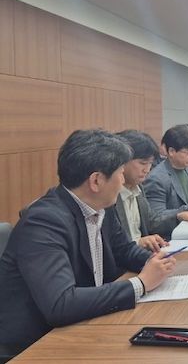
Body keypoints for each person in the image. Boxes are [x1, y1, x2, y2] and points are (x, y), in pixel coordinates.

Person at [0, 129, 176, 349]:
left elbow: (123, 250)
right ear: (96, 181)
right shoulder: (43, 222)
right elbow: (61, 304)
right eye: (120, 173)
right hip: (35, 344)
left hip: (86, 323)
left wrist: (155, 261)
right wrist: (140, 284)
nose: (123, 181)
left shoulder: (102, 206)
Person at [115, 130, 188, 250]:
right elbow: (113, 245)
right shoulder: (110, 196)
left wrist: (178, 217)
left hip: (144, 254)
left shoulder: (138, 187)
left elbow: (152, 221)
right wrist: (138, 243)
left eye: (150, 163)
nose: (147, 169)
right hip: (130, 257)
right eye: (142, 163)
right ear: (122, 163)